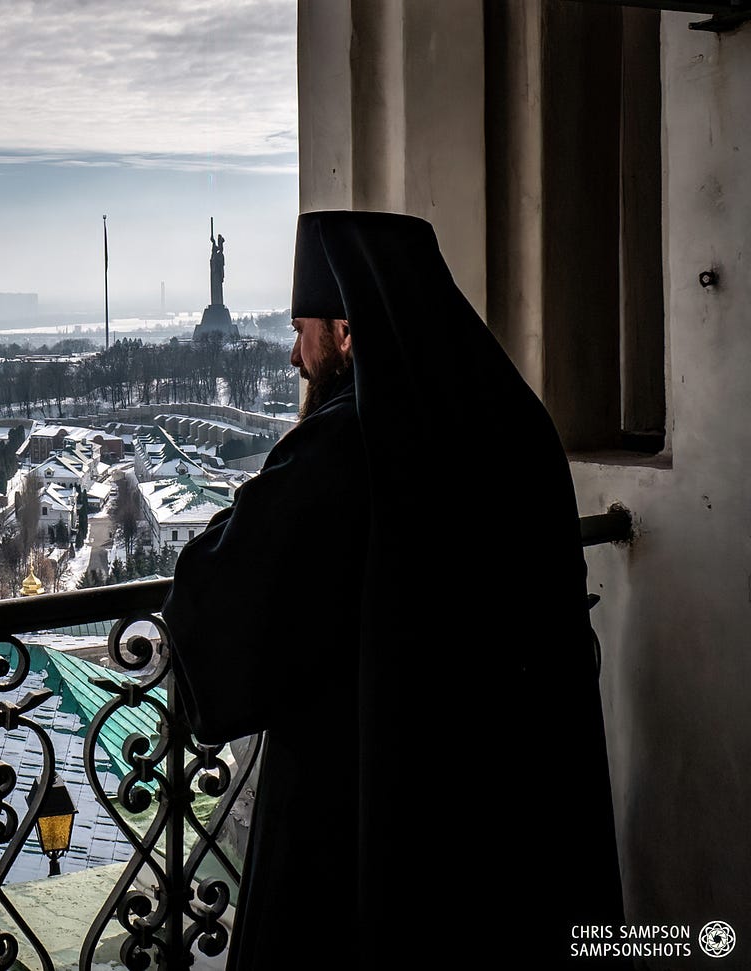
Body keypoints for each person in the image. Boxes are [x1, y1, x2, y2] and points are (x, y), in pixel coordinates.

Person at [161, 211, 624, 969]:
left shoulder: (345, 444)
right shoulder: (512, 420)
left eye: (303, 331)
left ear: (346, 332)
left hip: (369, 800)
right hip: (509, 801)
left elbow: (216, 598)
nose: (294, 355)